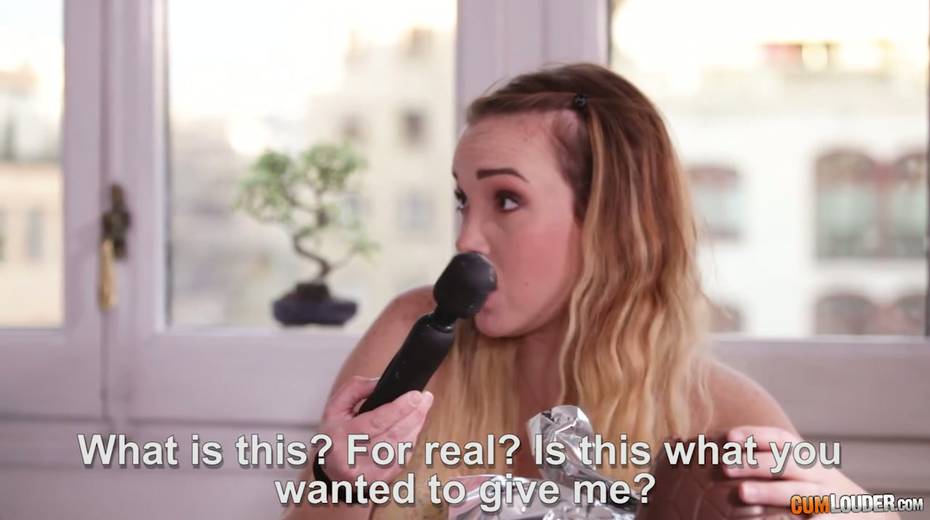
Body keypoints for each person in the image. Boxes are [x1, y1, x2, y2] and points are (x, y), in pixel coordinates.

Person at [283, 63, 892, 520]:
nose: (467, 238)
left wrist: (860, 513)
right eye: (464, 199)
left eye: (507, 200)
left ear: (609, 220)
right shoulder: (413, 336)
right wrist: (339, 480)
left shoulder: (716, 414)